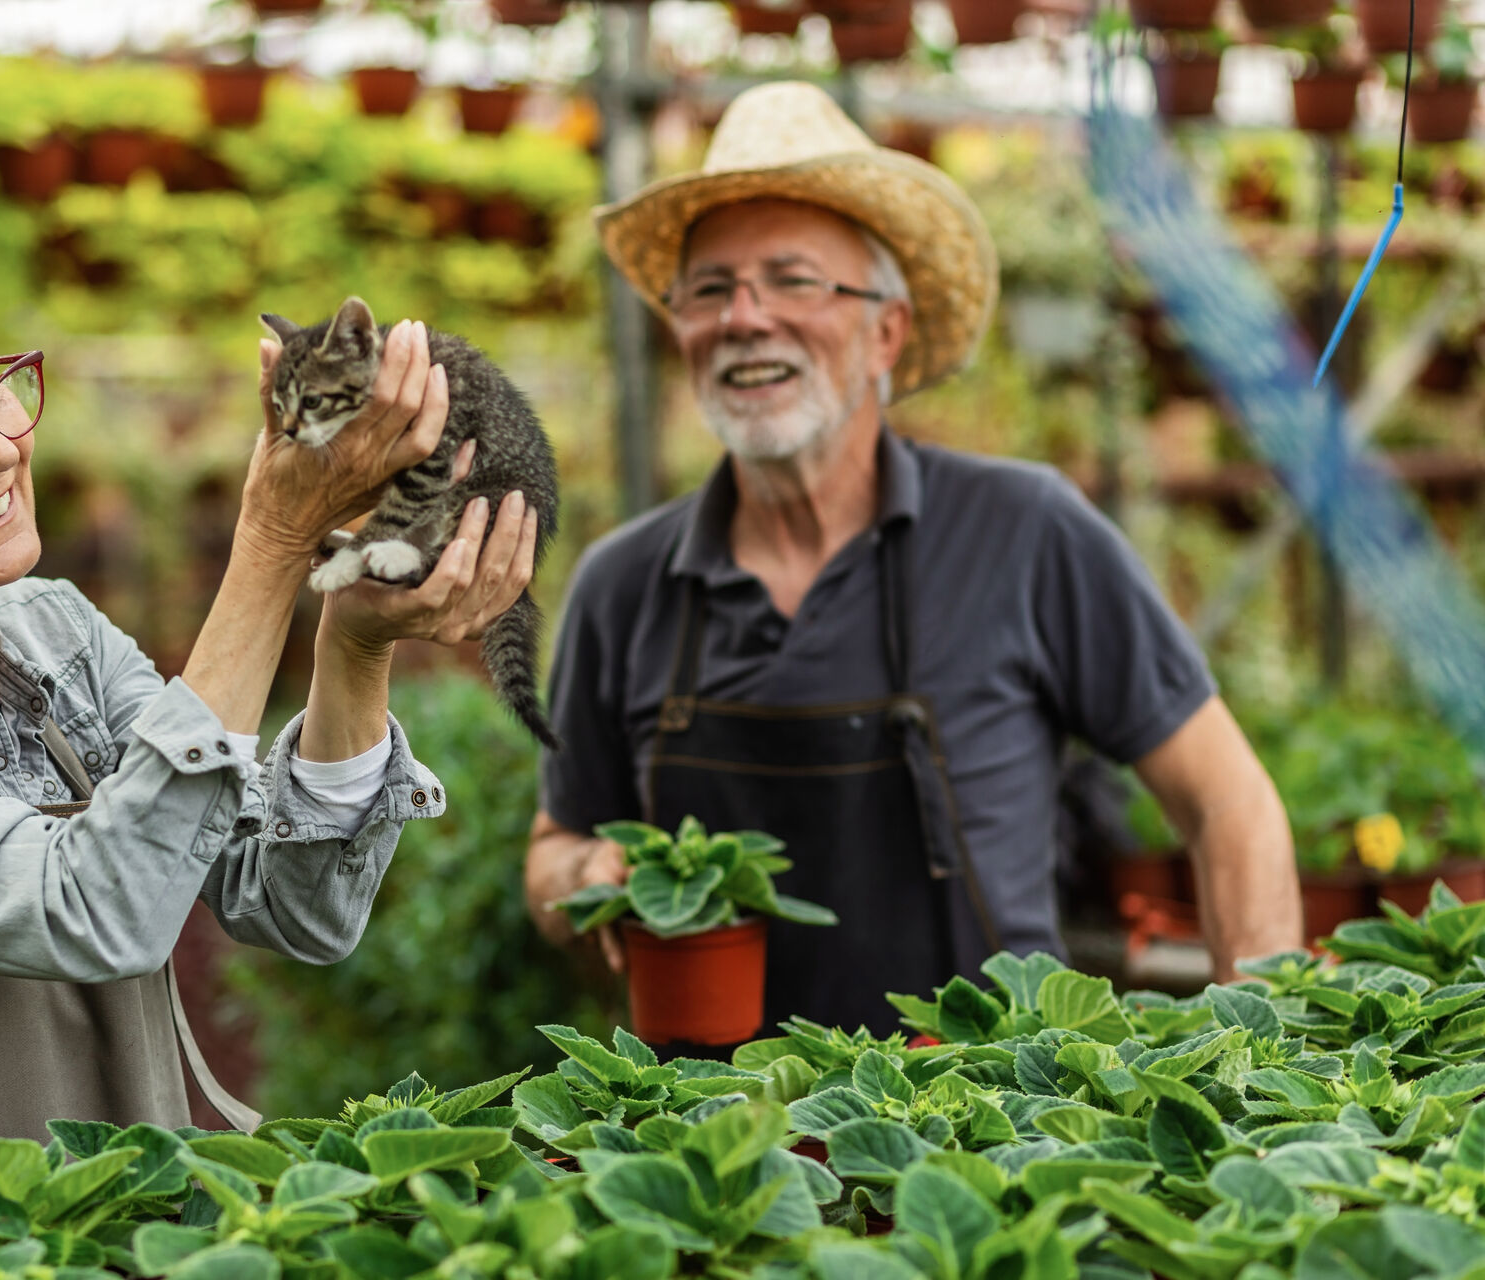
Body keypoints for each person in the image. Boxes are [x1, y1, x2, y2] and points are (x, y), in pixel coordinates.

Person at [0, 245, 540, 1264]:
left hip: (141, 1233)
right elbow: (90, 906)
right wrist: (271, 544)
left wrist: (352, 642)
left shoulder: (53, 633)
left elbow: (296, 902)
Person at [524, 82, 1300, 1040]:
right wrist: (586, 879)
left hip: (990, 1139)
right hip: (705, 1160)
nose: (744, 318)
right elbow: (555, 849)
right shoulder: (623, 584)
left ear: (884, 330)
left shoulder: (1025, 532)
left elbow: (1229, 804)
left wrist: (1265, 1073)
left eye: (793, 279)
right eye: (709, 289)